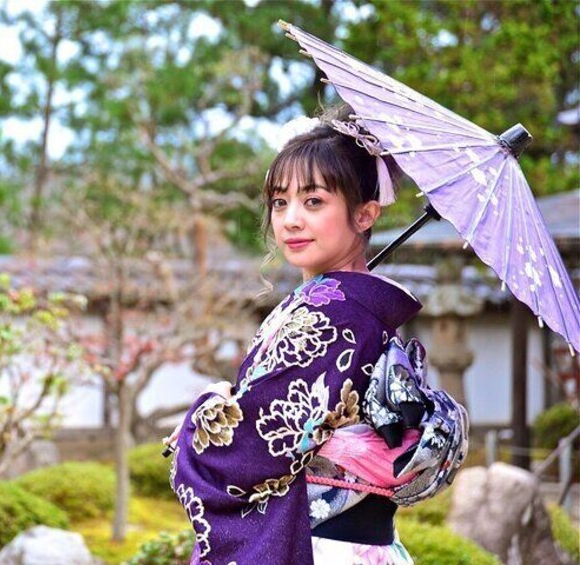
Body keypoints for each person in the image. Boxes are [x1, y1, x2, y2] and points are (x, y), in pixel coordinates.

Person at [163, 104, 466, 564]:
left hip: (321, 547)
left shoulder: (338, 315)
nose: (290, 220)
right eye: (280, 202)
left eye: (314, 201)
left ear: (364, 214)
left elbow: (253, 446)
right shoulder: (344, 307)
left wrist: (203, 414)